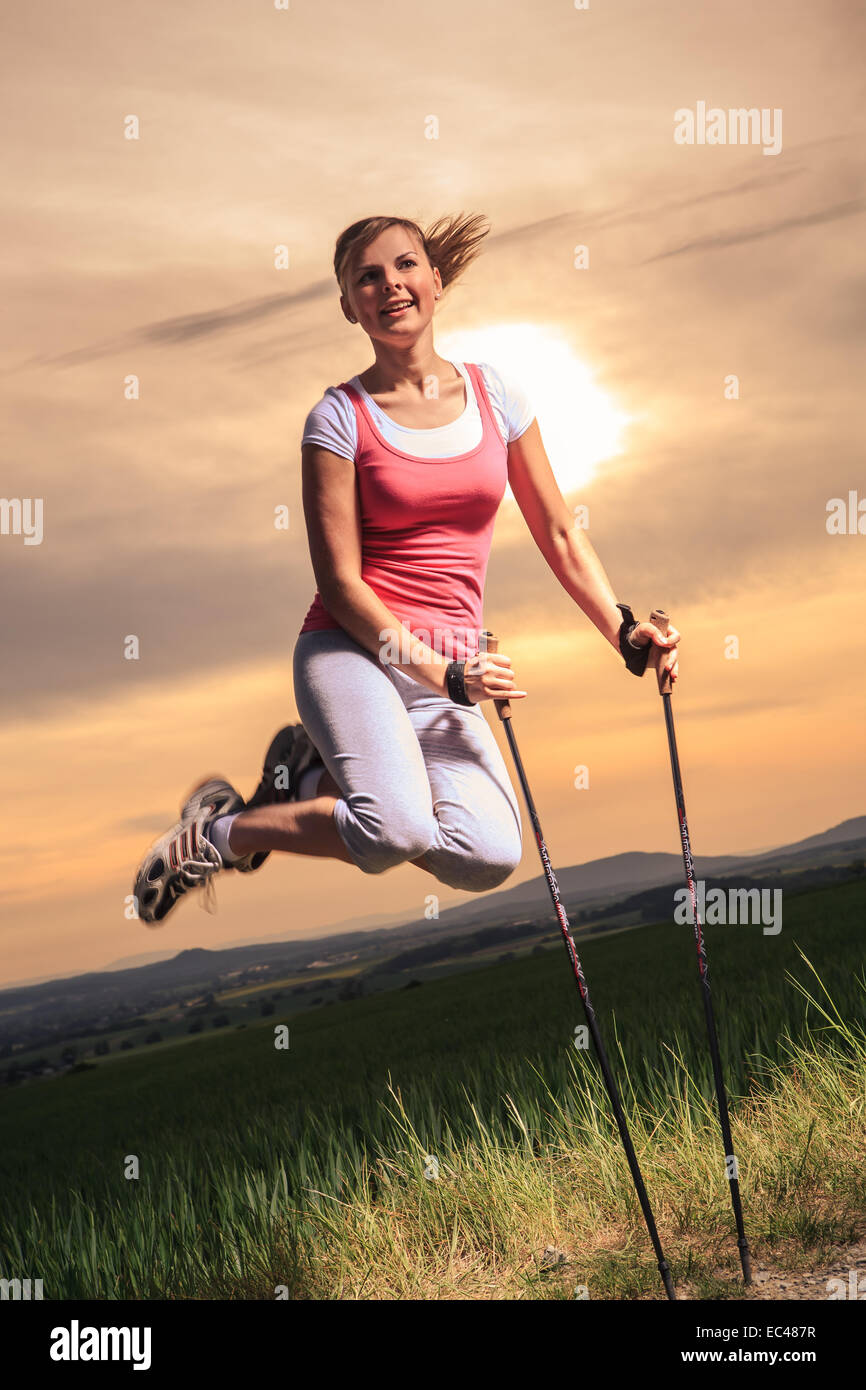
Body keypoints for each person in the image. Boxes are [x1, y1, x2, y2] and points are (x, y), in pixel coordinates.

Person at [133, 212, 680, 925]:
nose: (389, 285)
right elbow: (340, 584)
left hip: (448, 665)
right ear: (348, 305)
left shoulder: (498, 397)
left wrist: (626, 633)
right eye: (368, 276)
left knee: (486, 854)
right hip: (351, 651)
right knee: (395, 831)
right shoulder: (339, 418)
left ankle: (308, 775)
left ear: (435, 279)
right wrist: (447, 676)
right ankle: (215, 835)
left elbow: (558, 533)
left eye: (404, 266)